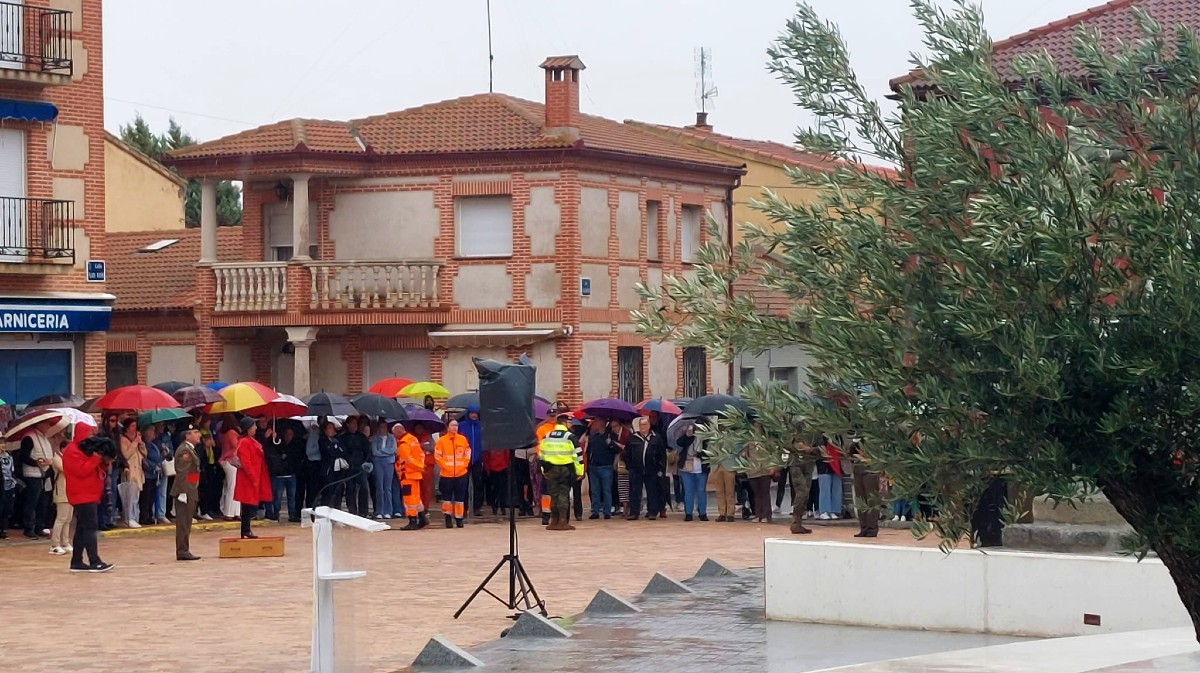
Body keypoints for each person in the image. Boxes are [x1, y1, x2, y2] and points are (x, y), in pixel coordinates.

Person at [63, 435, 116, 573]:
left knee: (82, 528)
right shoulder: (72, 450)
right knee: (90, 528)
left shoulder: (85, 450)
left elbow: (97, 469)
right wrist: (96, 457)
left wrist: (104, 460)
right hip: (82, 495)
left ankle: (76, 561)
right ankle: (94, 561)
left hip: (89, 495)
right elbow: (81, 471)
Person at [538, 420, 583, 531]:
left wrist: (543, 469)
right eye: (569, 422)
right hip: (565, 469)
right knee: (563, 494)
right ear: (564, 424)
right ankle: (563, 521)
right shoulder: (570, 437)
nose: (571, 425)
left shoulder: (546, 436)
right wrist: (579, 471)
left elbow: (541, 455)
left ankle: (553, 521)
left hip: (550, 469)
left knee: (553, 495)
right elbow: (578, 456)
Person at [18, 417, 57, 539]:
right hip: (33, 474)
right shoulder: (29, 437)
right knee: (32, 502)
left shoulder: (45, 438)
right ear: (39, 424)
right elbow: (23, 456)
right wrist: (36, 462)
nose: (49, 426)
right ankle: (28, 527)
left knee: (43, 502)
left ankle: (40, 526)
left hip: (45, 473)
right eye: (47, 424)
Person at [234, 417, 271, 539]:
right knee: (247, 505)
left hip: (253, 476)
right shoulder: (245, 442)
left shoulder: (249, 440)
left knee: (249, 505)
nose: (256, 427)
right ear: (248, 428)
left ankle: (246, 530)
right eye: (253, 426)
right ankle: (245, 530)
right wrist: (253, 477)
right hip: (248, 478)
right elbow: (246, 462)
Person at [624, 417, 667, 521]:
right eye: (641, 425)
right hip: (636, 470)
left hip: (651, 469)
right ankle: (634, 512)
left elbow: (662, 455)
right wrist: (629, 467)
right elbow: (626, 454)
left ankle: (652, 512)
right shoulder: (632, 438)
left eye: (645, 425)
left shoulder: (656, 438)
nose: (643, 427)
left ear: (649, 426)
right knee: (635, 492)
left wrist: (661, 469)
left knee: (652, 491)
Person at [172, 424, 202, 561]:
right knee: (183, 522)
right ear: (187, 435)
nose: (199, 434)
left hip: (190, 489)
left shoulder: (191, 450)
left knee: (187, 521)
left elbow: (192, 472)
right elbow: (182, 473)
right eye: (195, 432)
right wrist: (183, 491)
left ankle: (184, 548)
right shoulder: (185, 451)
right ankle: (182, 550)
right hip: (185, 491)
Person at [435, 419, 471, 528]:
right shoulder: (441, 441)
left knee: (460, 498)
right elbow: (438, 456)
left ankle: (459, 518)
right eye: (452, 425)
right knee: (447, 498)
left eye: (456, 425)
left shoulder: (463, 439)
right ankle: (448, 518)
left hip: (461, 474)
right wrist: (446, 467)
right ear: (447, 427)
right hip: (447, 474)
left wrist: (463, 466)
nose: (455, 427)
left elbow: (467, 454)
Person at [848, 431, 882, 538]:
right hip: (858, 471)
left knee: (871, 500)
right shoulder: (855, 441)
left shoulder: (872, 440)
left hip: (870, 471)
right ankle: (863, 527)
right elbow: (850, 453)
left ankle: (872, 528)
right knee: (860, 500)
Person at [395, 423, 428, 530]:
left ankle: (412, 520)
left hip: (407, 475)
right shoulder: (413, 439)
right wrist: (420, 467)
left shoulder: (403, 443)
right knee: (416, 499)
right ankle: (422, 518)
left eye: (395, 434)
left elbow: (406, 460)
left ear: (399, 432)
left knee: (409, 499)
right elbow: (421, 455)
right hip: (416, 474)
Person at [49, 425, 75, 555]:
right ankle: (55, 544)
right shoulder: (56, 457)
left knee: (68, 518)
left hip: (71, 491)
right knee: (61, 518)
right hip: (61, 490)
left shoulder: (67, 458)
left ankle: (65, 541)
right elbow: (65, 469)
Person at [583, 417, 616, 520]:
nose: (594, 425)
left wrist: (610, 444)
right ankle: (595, 511)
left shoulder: (609, 436)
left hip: (606, 466)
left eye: (597, 422)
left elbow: (615, 450)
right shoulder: (592, 436)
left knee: (606, 490)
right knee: (594, 490)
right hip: (593, 467)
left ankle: (607, 511)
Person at [676, 424, 710, 522]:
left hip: (701, 468)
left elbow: (709, 451)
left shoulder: (706, 437)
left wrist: (699, 454)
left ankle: (702, 512)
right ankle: (688, 513)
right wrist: (687, 435)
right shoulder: (687, 436)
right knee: (688, 491)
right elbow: (679, 443)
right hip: (686, 468)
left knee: (701, 491)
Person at [786, 434, 818, 535]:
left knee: (805, 494)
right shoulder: (795, 426)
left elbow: (822, 447)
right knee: (802, 492)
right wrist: (799, 447)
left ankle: (798, 523)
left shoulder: (815, 430)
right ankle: (795, 523)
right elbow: (786, 443)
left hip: (808, 463)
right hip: (796, 463)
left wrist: (812, 449)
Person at [118, 419, 146, 528]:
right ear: (127, 427)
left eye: (135, 426)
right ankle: (129, 517)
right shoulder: (123, 439)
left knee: (136, 497)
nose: (134, 428)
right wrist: (134, 443)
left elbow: (144, 454)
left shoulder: (137, 439)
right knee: (129, 496)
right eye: (132, 426)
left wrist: (141, 444)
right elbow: (126, 454)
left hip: (138, 470)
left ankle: (134, 517)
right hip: (129, 470)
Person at [459, 406, 484, 517]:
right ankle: (464, 508)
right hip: (464, 459)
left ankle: (477, 507)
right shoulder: (462, 426)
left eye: (476, 413)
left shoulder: (482, 426)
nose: (474, 415)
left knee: (478, 484)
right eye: (472, 413)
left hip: (478, 458)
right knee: (463, 484)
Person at [370, 419, 397, 519]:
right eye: (381, 427)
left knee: (388, 488)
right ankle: (379, 511)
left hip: (389, 463)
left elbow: (393, 450)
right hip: (378, 463)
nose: (383, 429)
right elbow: (374, 451)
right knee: (379, 487)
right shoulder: (375, 438)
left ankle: (388, 511)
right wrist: (386, 452)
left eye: (384, 427)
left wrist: (382, 451)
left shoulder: (391, 438)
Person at [318, 420, 348, 508]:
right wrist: (336, 450)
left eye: (332, 428)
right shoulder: (322, 441)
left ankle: (337, 508)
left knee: (338, 490)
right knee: (328, 492)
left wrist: (337, 449)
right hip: (328, 470)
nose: (332, 430)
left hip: (338, 470)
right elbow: (330, 452)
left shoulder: (338, 440)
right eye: (329, 428)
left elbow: (343, 451)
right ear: (325, 430)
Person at [218, 414, 241, 521]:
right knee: (233, 487)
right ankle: (230, 512)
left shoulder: (223, 433)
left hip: (225, 460)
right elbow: (236, 445)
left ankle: (233, 511)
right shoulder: (232, 433)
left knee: (230, 486)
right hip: (231, 460)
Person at [816, 433, 844, 520]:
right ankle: (824, 510)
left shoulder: (838, 436)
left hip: (836, 464)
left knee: (837, 488)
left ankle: (835, 510)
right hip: (824, 465)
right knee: (825, 488)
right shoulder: (820, 436)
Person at [482, 445, 510, 514]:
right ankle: (494, 506)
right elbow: (486, 458)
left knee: (502, 489)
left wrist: (507, 466)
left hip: (502, 469)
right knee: (494, 490)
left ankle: (502, 506)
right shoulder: (489, 445)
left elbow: (507, 456)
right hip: (493, 469)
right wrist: (487, 469)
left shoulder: (503, 445)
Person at [0, 448, 14, 539]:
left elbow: (12, 470)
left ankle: (4, 529)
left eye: (4, 443)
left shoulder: (9, 456)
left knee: (8, 507)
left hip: (9, 484)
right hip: (1, 484)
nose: (3, 445)